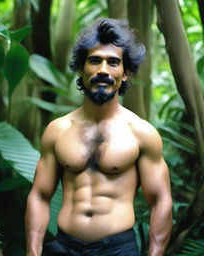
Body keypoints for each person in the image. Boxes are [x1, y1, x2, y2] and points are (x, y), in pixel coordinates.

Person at [25, 18, 172, 256]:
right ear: (82, 69)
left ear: (125, 74)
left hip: (117, 249)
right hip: (64, 247)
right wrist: (32, 252)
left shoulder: (141, 133)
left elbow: (161, 200)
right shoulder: (58, 130)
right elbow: (40, 195)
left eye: (113, 62)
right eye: (94, 61)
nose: (103, 69)